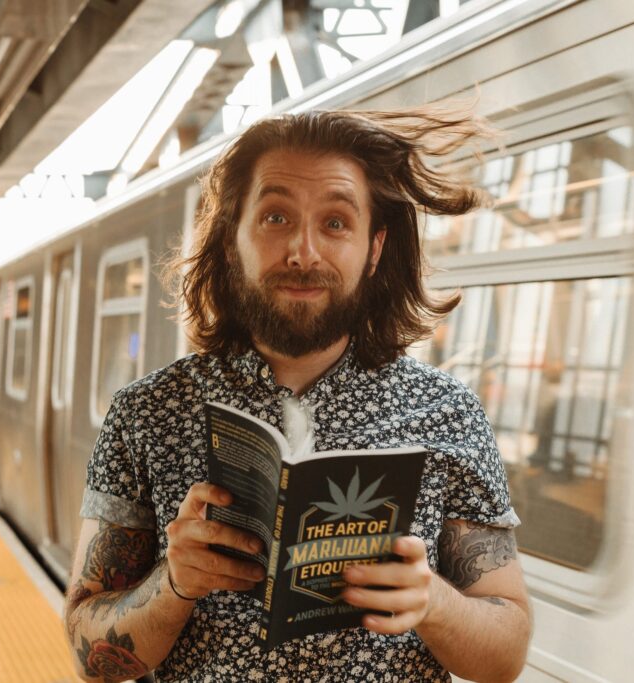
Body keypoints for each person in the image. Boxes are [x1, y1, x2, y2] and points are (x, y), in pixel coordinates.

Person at [64, 107, 531, 683]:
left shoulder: (447, 413)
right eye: (276, 216)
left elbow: (506, 655)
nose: (303, 252)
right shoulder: (148, 414)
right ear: (232, 238)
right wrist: (174, 582)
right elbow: (91, 658)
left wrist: (433, 602)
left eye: (336, 223)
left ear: (374, 247)